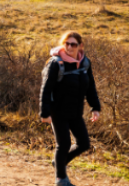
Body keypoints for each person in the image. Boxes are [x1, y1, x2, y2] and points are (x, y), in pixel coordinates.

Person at [40, 31, 101, 186]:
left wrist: (95, 107)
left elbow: (90, 87)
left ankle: (59, 163)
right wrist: (45, 113)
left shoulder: (85, 63)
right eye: (66, 43)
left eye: (73, 44)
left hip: (75, 111)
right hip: (58, 111)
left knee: (84, 143)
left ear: (80, 46)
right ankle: (61, 179)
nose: (69, 47)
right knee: (64, 144)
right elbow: (45, 89)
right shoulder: (56, 63)